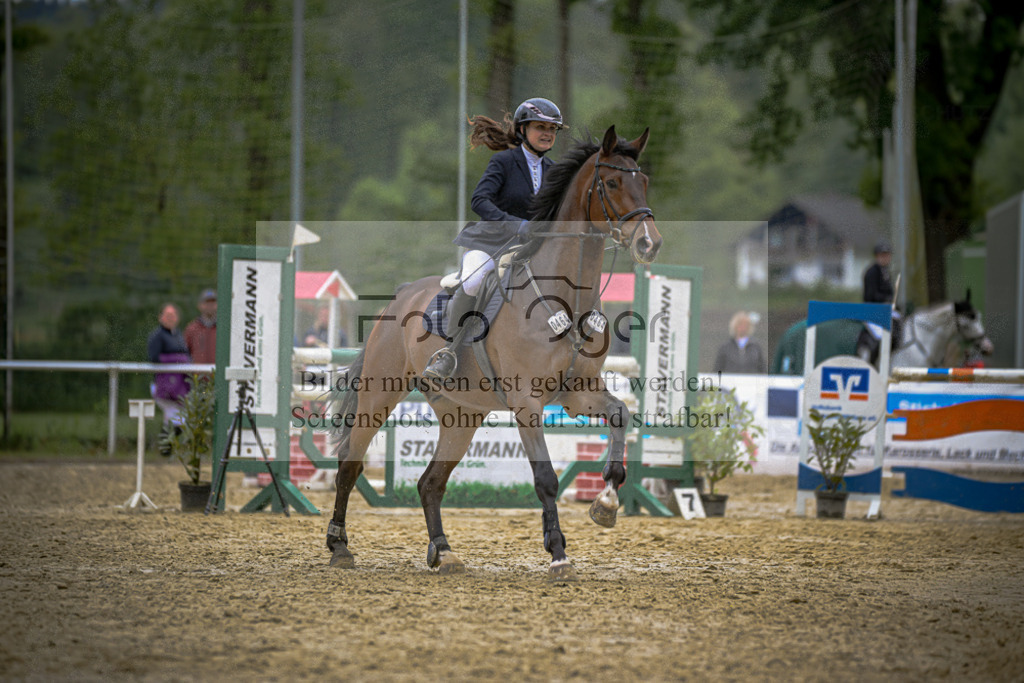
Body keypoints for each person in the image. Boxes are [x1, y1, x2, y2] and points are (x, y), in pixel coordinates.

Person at [423, 97, 564, 380]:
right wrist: (516, 225)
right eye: (540, 127)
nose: (547, 133)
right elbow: (480, 200)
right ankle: (449, 352)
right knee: (474, 279)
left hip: (532, 247)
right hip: (492, 243)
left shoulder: (555, 171)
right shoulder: (504, 162)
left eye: (552, 128)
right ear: (523, 130)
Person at [147, 302, 191, 430]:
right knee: (173, 419)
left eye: (173, 315)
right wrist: (178, 359)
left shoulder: (178, 335)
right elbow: (154, 358)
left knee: (178, 421)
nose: (170, 318)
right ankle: (166, 448)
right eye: (167, 315)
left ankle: (169, 448)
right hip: (165, 386)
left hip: (179, 386)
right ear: (160, 317)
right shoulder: (157, 336)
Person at [184, 288, 217, 365]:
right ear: (199, 305)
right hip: (197, 376)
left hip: (219, 376)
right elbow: (184, 353)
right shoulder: (191, 329)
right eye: (207, 302)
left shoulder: (224, 329)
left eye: (213, 302)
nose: (210, 305)